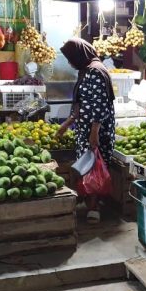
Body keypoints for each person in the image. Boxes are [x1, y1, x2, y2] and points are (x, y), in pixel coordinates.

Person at [57, 38, 116, 224]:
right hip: (85, 128)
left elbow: (99, 105)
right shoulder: (86, 70)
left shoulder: (96, 72)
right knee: (87, 165)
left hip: (96, 130)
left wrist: (94, 132)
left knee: (93, 167)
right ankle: (90, 199)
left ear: (79, 55)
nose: (69, 63)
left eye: (70, 59)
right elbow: (81, 103)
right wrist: (67, 123)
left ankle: (94, 207)